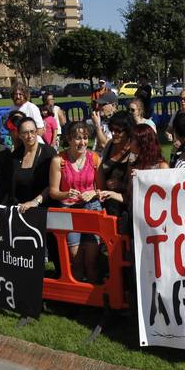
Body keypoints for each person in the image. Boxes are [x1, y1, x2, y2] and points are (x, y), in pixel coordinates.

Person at [49, 121, 111, 282]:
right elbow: (53, 192)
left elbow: (102, 190)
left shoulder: (94, 158)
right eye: (77, 138)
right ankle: (77, 294)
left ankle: (94, 293)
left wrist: (93, 193)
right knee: (75, 259)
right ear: (69, 139)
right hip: (69, 211)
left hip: (92, 208)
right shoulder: (59, 160)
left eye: (85, 138)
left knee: (92, 260)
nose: (82, 142)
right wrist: (66, 194)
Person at [7, 117, 55, 210]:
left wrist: (35, 202)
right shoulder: (15, 156)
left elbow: (53, 184)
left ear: (37, 132)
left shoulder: (49, 153)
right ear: (19, 135)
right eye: (25, 133)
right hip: (20, 208)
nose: (29, 136)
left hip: (43, 208)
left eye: (32, 131)